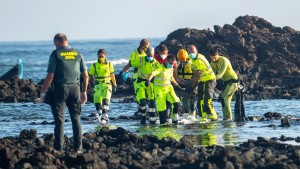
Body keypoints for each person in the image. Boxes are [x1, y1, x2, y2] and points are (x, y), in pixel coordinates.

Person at [40, 33, 88, 153]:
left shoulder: (55, 54)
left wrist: (43, 92)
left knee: (59, 120)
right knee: (76, 118)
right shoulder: (78, 54)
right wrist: (84, 91)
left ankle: (58, 149)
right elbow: (86, 76)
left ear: (57, 42)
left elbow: (50, 76)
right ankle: (78, 149)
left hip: (60, 89)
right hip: (75, 89)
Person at [147, 54, 184, 124]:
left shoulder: (171, 68)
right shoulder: (160, 67)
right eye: (170, 63)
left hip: (169, 89)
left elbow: (171, 78)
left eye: (173, 64)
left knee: (176, 102)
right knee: (162, 110)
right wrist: (148, 80)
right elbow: (152, 73)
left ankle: (174, 119)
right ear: (166, 61)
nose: (172, 65)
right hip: (159, 90)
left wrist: (178, 86)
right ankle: (162, 126)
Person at [119, 39, 150, 116]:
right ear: (143, 46)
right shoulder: (135, 53)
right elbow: (129, 64)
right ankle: (140, 110)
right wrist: (124, 72)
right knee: (139, 94)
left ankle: (148, 110)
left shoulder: (147, 53)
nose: (148, 47)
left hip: (146, 76)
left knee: (148, 95)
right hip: (137, 76)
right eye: (147, 46)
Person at [188, 45, 218, 122]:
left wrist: (193, 87)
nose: (191, 54)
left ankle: (212, 115)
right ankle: (203, 116)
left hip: (210, 79)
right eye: (190, 52)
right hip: (203, 80)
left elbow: (197, 75)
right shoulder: (193, 58)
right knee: (200, 99)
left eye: (193, 52)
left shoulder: (198, 60)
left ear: (197, 51)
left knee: (207, 99)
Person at [88, 49, 117, 124]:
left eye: (102, 56)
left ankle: (105, 117)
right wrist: (85, 83)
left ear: (105, 56)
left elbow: (112, 75)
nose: (101, 57)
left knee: (105, 100)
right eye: (99, 56)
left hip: (107, 85)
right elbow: (90, 76)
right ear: (97, 56)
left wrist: (114, 84)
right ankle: (100, 116)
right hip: (98, 86)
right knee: (97, 102)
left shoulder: (109, 64)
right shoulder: (94, 65)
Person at [131, 46, 158, 124]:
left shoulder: (155, 62)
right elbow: (132, 64)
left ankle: (153, 120)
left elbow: (158, 70)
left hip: (150, 84)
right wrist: (125, 71)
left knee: (152, 103)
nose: (150, 57)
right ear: (146, 54)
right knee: (142, 102)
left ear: (154, 54)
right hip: (140, 83)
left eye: (152, 55)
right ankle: (143, 116)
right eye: (149, 55)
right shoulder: (140, 60)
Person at [210, 48, 238, 121]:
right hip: (226, 83)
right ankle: (227, 118)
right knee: (226, 101)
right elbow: (208, 72)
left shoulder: (224, 60)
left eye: (215, 58)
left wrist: (209, 79)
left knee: (223, 98)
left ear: (218, 55)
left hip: (233, 81)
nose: (214, 60)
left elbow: (220, 75)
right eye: (212, 59)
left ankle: (228, 118)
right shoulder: (212, 63)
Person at [175, 49, 196, 119]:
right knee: (184, 101)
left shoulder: (192, 64)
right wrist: (178, 81)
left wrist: (192, 83)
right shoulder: (178, 65)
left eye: (183, 60)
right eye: (180, 60)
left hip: (191, 84)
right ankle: (186, 114)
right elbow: (175, 75)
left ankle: (193, 115)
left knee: (192, 101)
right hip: (182, 85)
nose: (182, 61)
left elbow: (197, 75)